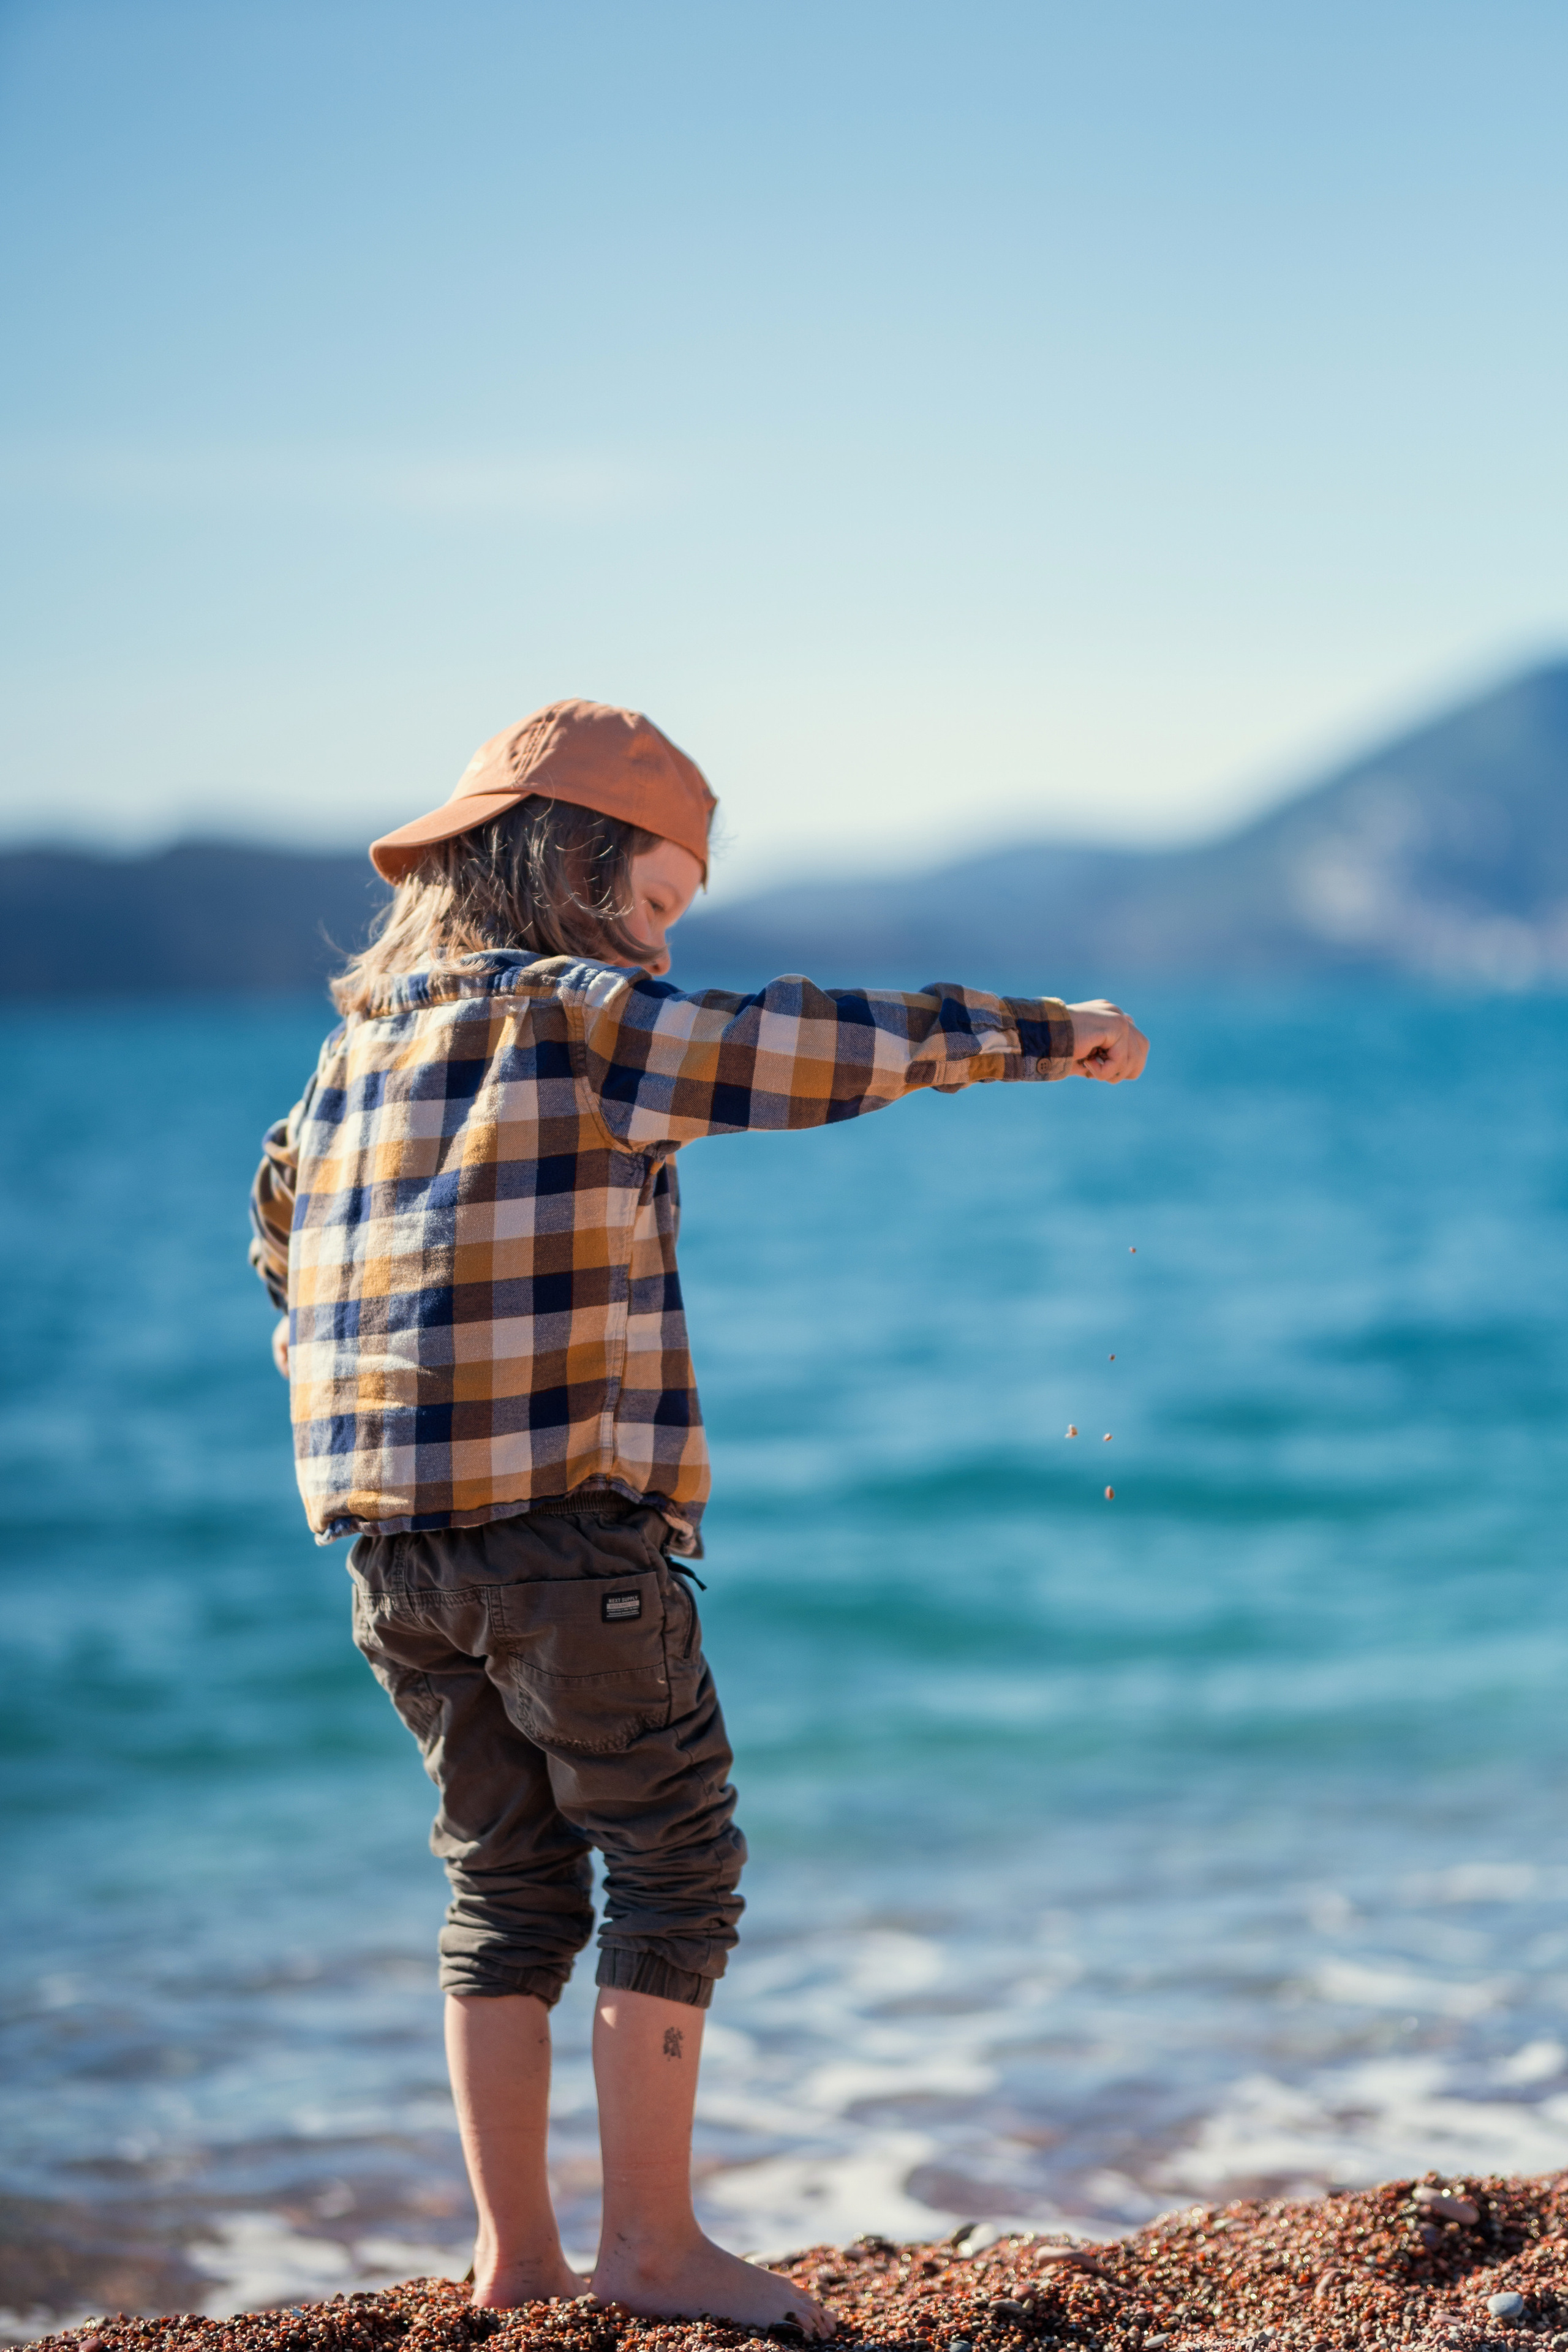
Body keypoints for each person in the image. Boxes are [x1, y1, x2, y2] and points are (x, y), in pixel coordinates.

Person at [248, 698, 1148, 2337]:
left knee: (503, 1885)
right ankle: (653, 2249)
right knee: (673, 1862)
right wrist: (1047, 1028)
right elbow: (808, 1046)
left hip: (393, 1557)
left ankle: (517, 2262)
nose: (664, 946)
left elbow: (282, 1240)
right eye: (655, 905)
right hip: (568, 1542)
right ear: (572, 867)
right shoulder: (586, 1024)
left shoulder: (348, 1060)